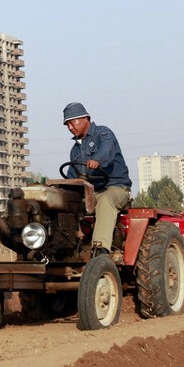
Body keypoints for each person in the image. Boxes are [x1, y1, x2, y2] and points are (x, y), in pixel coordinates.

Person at [62, 102, 132, 256]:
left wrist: (97, 159)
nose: (70, 127)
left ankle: (100, 250)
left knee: (106, 199)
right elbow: (72, 176)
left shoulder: (103, 134)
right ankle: (67, 247)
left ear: (85, 118)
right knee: (65, 202)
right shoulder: (75, 150)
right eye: (67, 124)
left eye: (73, 122)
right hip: (90, 193)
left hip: (115, 188)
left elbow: (106, 150)